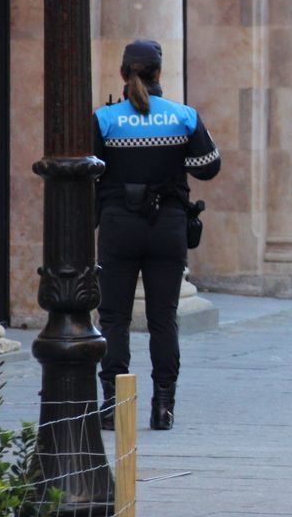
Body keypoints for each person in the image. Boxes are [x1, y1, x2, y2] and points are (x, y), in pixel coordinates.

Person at [94, 39, 220, 430]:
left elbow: (89, 168)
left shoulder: (105, 118)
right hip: (167, 226)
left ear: (123, 73)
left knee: (114, 317)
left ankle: (114, 405)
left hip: (118, 226)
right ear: (159, 74)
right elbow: (208, 166)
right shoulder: (182, 115)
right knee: (163, 317)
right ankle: (163, 405)